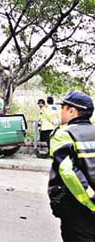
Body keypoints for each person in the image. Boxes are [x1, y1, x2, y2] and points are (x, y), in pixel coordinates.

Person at [48, 91, 95, 241]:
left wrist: (92, 202)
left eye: (62, 108)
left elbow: (68, 172)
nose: (60, 112)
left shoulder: (64, 134)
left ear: (72, 111)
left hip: (79, 209)